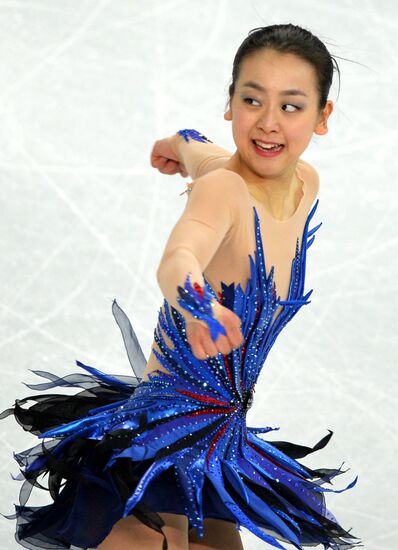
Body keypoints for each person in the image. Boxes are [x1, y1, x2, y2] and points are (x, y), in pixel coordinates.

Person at [0, 24, 362, 550]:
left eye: (291, 106)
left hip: (219, 442)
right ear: (230, 103)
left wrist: (175, 144)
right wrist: (200, 309)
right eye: (251, 99)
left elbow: (200, 148)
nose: (267, 122)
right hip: (157, 439)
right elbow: (179, 258)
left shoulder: (305, 183)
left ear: (322, 116)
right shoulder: (223, 191)